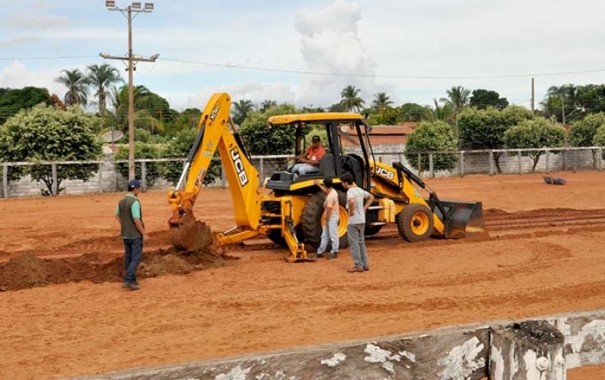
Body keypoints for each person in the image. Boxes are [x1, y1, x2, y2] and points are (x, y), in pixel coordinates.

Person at [115, 179, 148, 290]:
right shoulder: (134, 202)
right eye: (138, 188)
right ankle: (128, 279)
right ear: (135, 189)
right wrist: (143, 233)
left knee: (128, 257)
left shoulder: (121, 201)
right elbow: (136, 219)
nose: (139, 190)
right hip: (135, 235)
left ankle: (132, 281)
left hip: (125, 234)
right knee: (136, 258)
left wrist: (125, 224)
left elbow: (116, 216)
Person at [340, 172, 374, 273]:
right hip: (361, 219)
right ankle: (365, 264)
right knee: (361, 242)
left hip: (353, 220)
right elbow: (371, 197)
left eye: (342, 183)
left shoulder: (350, 192)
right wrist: (364, 208)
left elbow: (351, 201)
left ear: (346, 182)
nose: (342, 184)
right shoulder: (359, 190)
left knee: (354, 243)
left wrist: (352, 210)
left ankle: (357, 265)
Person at [314, 177, 339, 259]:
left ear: (326, 185)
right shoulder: (332, 191)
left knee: (333, 235)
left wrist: (327, 221)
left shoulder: (330, 197)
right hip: (331, 216)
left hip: (332, 216)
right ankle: (320, 251)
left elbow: (329, 210)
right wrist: (318, 185)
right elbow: (325, 190)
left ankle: (334, 251)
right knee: (325, 235)